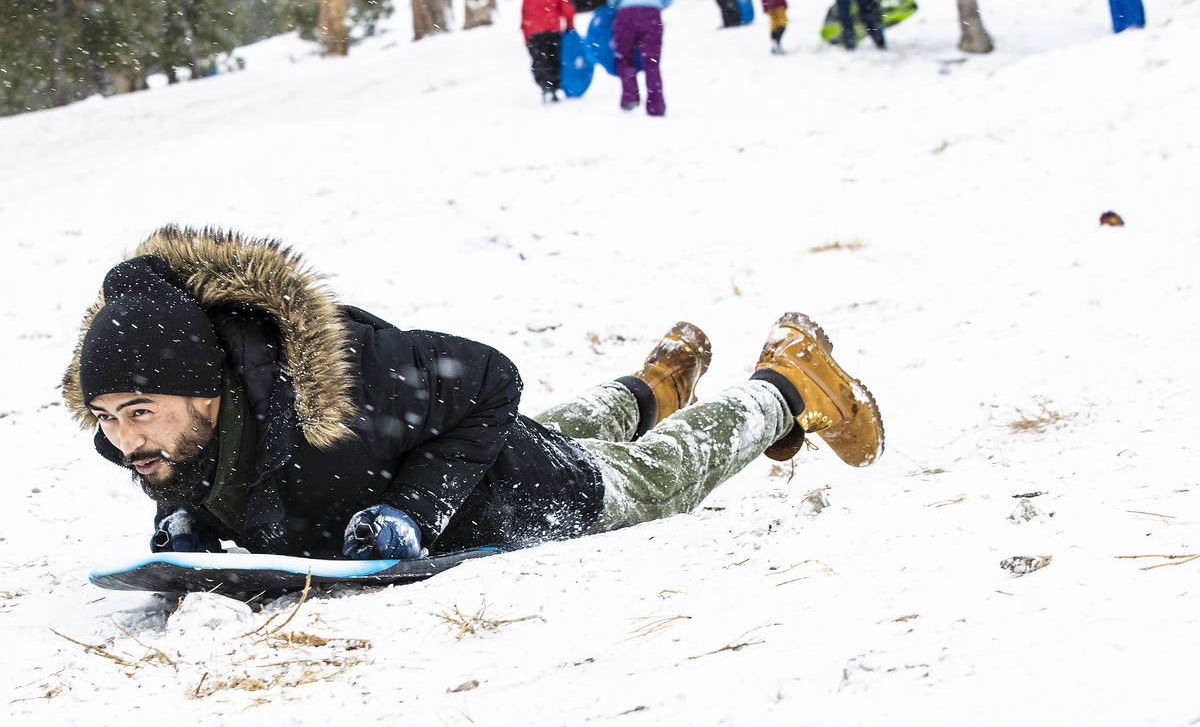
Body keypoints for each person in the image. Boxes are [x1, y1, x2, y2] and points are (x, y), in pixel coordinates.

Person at [63, 226, 884, 561]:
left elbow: (491, 381)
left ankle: (787, 382)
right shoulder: (179, 435)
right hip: (461, 453)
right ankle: (655, 384)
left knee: (654, 479)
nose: (128, 441)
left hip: (521, 490)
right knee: (556, 429)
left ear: (208, 391)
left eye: (141, 413)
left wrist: (413, 513)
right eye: (107, 419)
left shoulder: (345, 380)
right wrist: (181, 520)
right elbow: (205, 469)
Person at [605, 0, 673, 116]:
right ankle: (656, 105)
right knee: (651, 61)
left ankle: (630, 96)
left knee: (624, 57)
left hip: (626, 14)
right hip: (652, 15)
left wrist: (619, 4)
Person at [521, 0, 576, 103]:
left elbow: (524, 21)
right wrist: (570, 26)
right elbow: (568, 11)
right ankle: (555, 86)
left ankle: (545, 86)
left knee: (540, 61)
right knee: (554, 59)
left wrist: (527, 40)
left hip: (534, 34)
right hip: (553, 32)